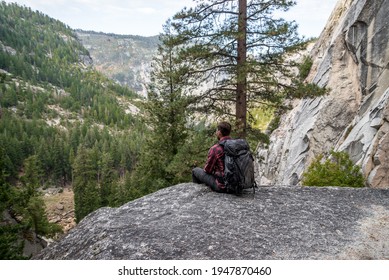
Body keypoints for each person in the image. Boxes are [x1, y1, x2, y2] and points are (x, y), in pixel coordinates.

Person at [192, 121, 232, 192]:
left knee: (195, 170)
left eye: (216, 130)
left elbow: (207, 170)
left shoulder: (215, 148)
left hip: (223, 186)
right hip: (237, 184)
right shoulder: (236, 145)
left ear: (219, 132)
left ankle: (198, 196)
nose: (216, 132)